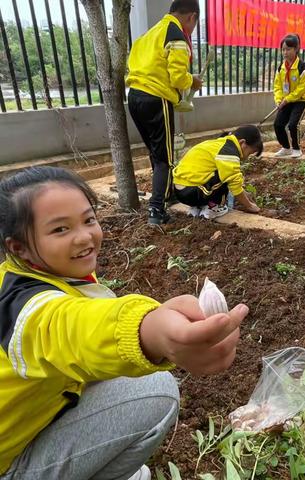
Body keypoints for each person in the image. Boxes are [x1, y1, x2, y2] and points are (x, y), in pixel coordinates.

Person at [0, 166, 249, 480]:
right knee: (154, 391)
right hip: (10, 460)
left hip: (30, 419)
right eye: (60, 230)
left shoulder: (46, 272)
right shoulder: (22, 309)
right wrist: (150, 330)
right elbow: (67, 329)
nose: (85, 236)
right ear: (18, 247)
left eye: (88, 219)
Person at [126, 0, 203, 226]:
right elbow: (178, 77)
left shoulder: (151, 34)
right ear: (192, 17)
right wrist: (193, 81)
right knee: (165, 158)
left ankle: (166, 193)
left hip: (135, 97)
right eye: (195, 23)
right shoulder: (176, 35)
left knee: (156, 152)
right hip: (156, 99)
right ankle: (156, 209)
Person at [173, 125, 262, 219]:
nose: (247, 157)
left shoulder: (218, 144)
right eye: (249, 153)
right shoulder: (229, 152)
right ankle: (213, 208)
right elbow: (234, 184)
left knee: (217, 173)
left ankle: (196, 208)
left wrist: (245, 194)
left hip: (180, 190)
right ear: (242, 142)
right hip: (194, 192)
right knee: (225, 178)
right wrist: (249, 206)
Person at [273, 34, 305, 159]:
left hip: (300, 100)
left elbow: (301, 89)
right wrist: (279, 100)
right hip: (285, 100)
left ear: (296, 49)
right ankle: (286, 148)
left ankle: (296, 148)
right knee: (278, 124)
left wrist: (287, 100)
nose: (285, 52)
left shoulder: (302, 67)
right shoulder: (281, 68)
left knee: (293, 124)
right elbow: (277, 86)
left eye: (288, 49)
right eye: (283, 49)